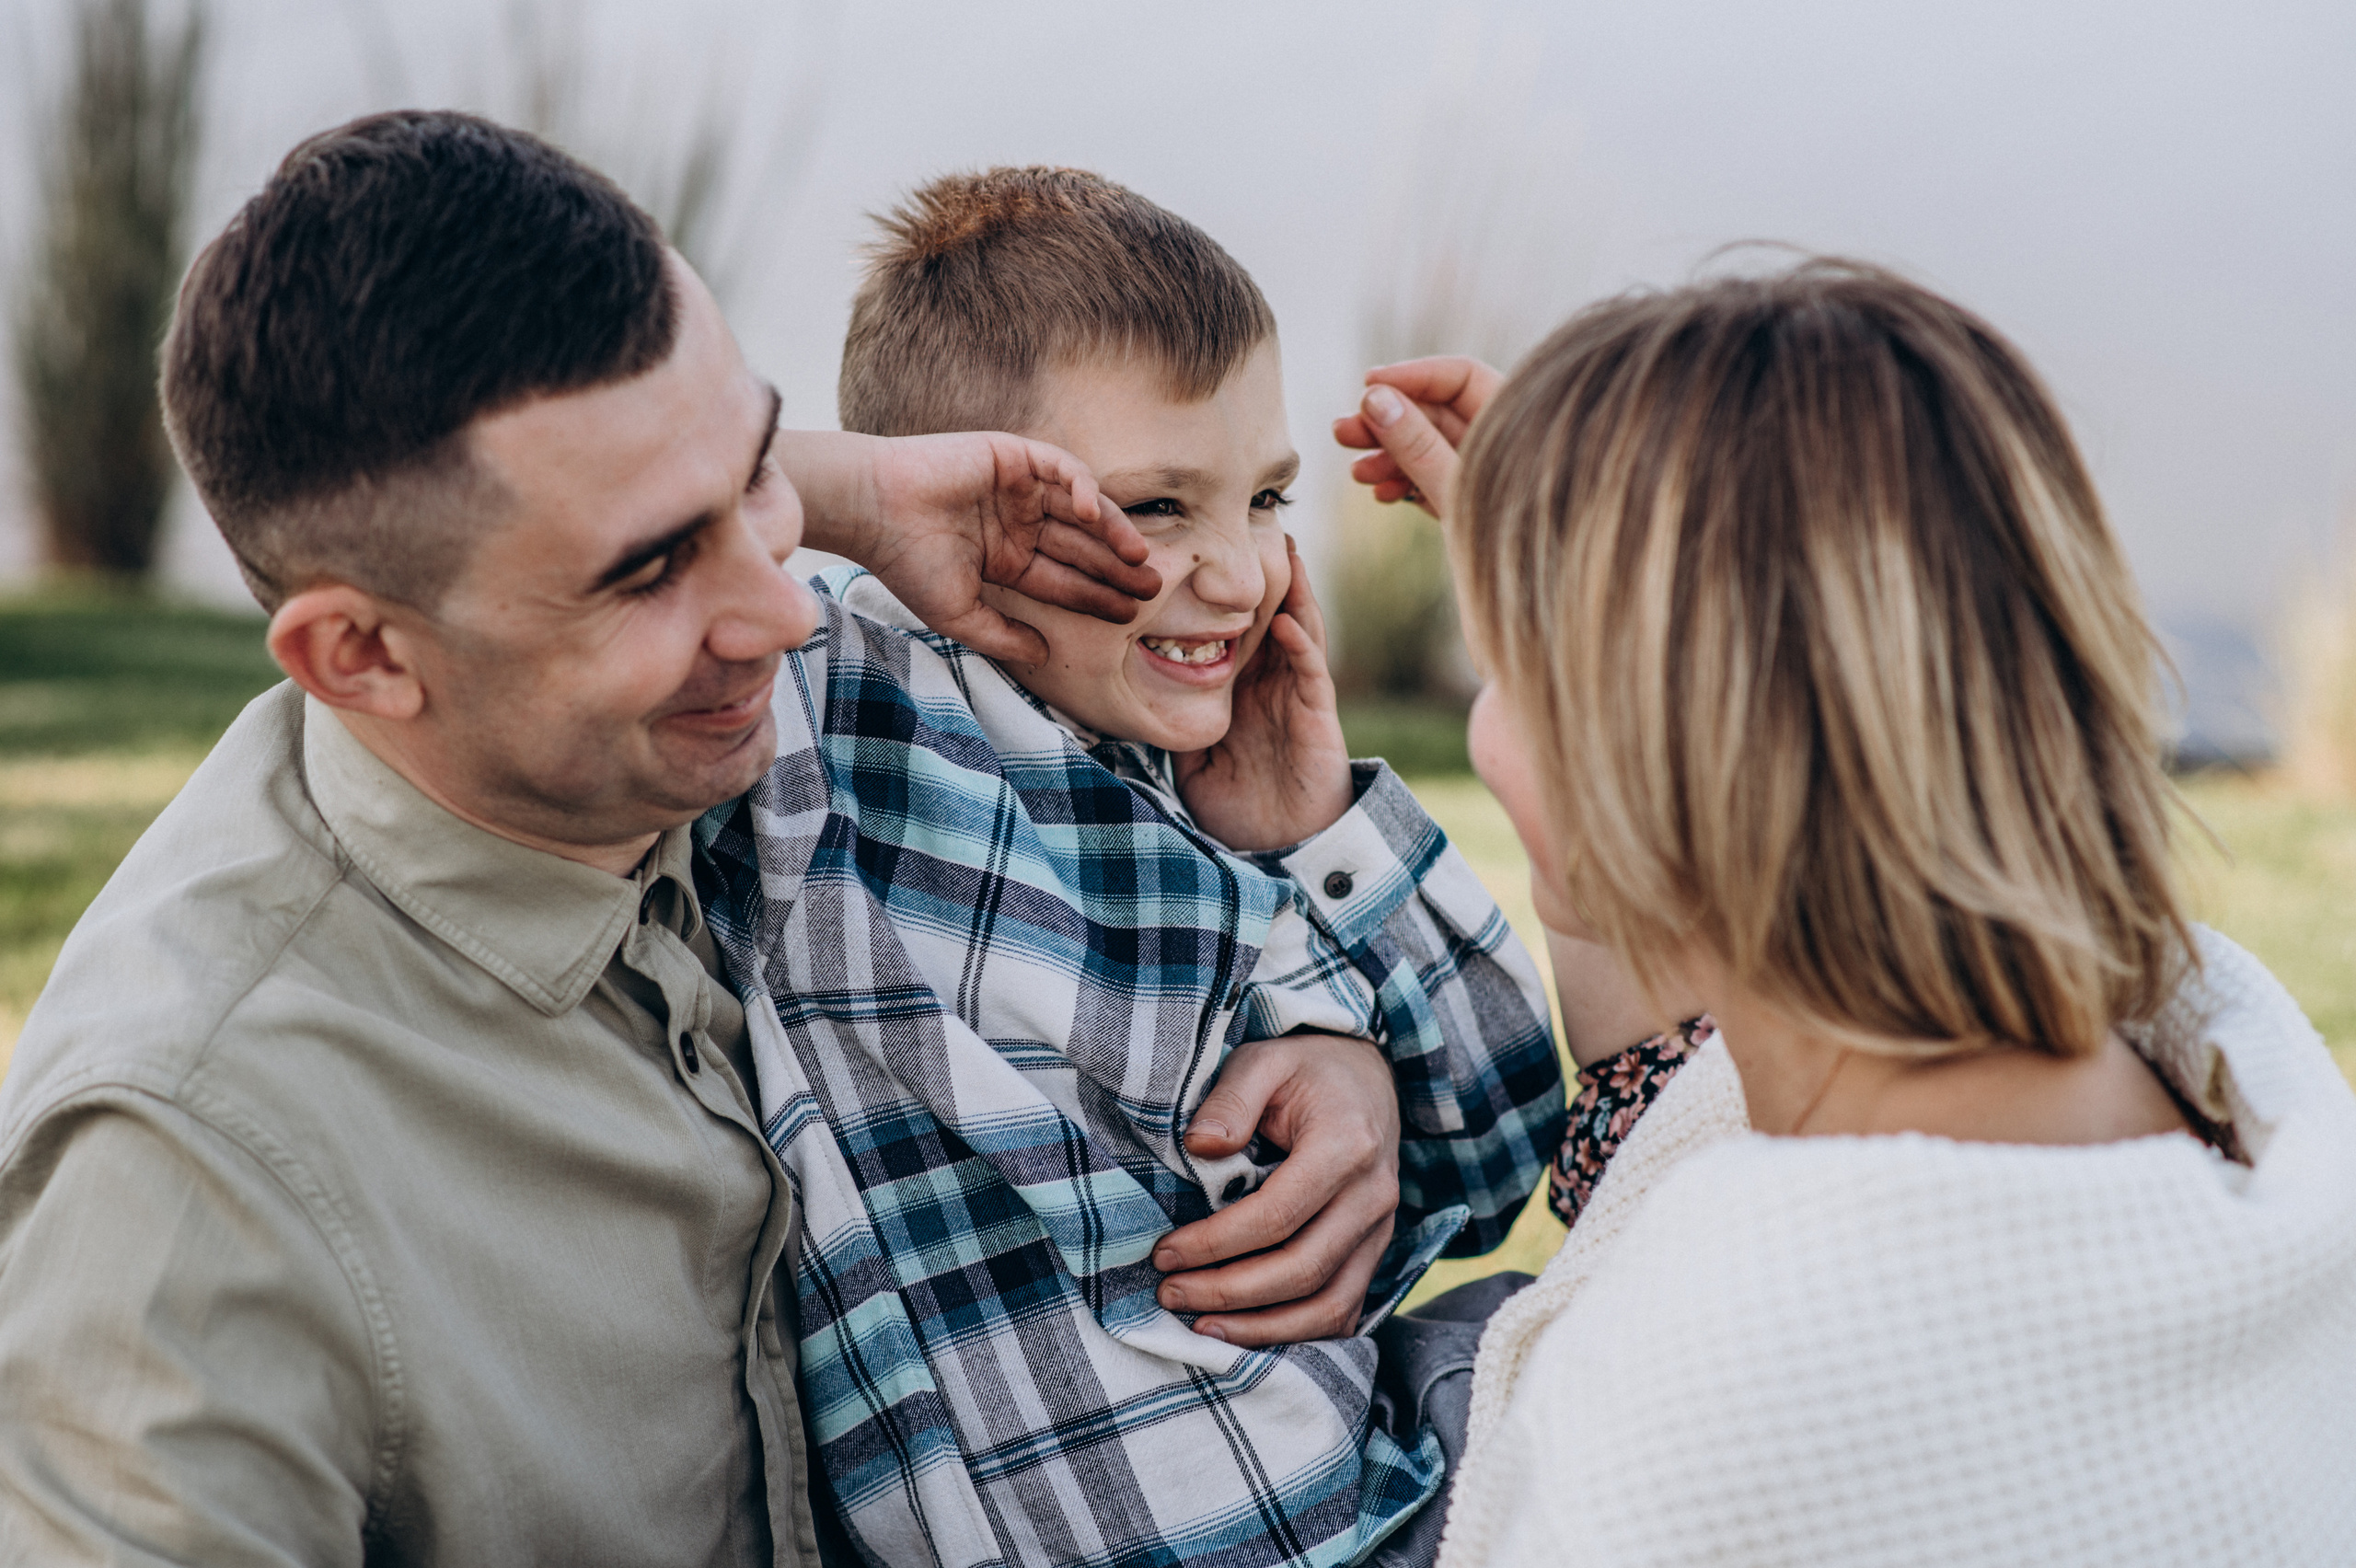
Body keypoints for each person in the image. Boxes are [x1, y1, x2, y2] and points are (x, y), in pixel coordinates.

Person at [0, 113, 1411, 1568]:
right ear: (361, 656)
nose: (788, 608)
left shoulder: (781, 730)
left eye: (755, 469)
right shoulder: (186, 1181)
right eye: (651, 568)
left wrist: (1335, 1043)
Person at [1337, 260, 2356, 1566]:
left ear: (1636, 770)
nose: (1485, 718)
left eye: (1510, 669)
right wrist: (1557, 532)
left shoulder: (1716, 1396)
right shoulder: (2224, 1092)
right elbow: (1663, 1098)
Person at [694, 167, 1565, 1568]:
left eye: (1269, 496)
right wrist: (864, 494)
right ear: (961, 488)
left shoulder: (1206, 784)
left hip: (1391, 1497)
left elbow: (1507, 1148)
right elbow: (634, 507)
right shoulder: (832, 694)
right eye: (1157, 508)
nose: (1238, 574)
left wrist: (1316, 836)